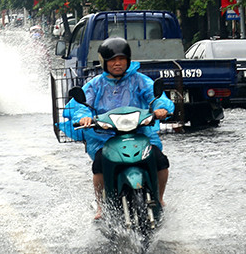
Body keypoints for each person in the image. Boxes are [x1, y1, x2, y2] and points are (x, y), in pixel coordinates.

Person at [69, 36, 174, 219]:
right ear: (104, 62)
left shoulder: (139, 80)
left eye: (121, 59)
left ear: (128, 60)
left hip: (139, 132)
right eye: (112, 60)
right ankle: (101, 207)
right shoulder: (95, 84)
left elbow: (156, 96)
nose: (117, 64)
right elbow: (81, 106)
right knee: (99, 164)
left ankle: (159, 198)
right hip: (106, 136)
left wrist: (161, 109)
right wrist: (83, 117)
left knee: (160, 160)